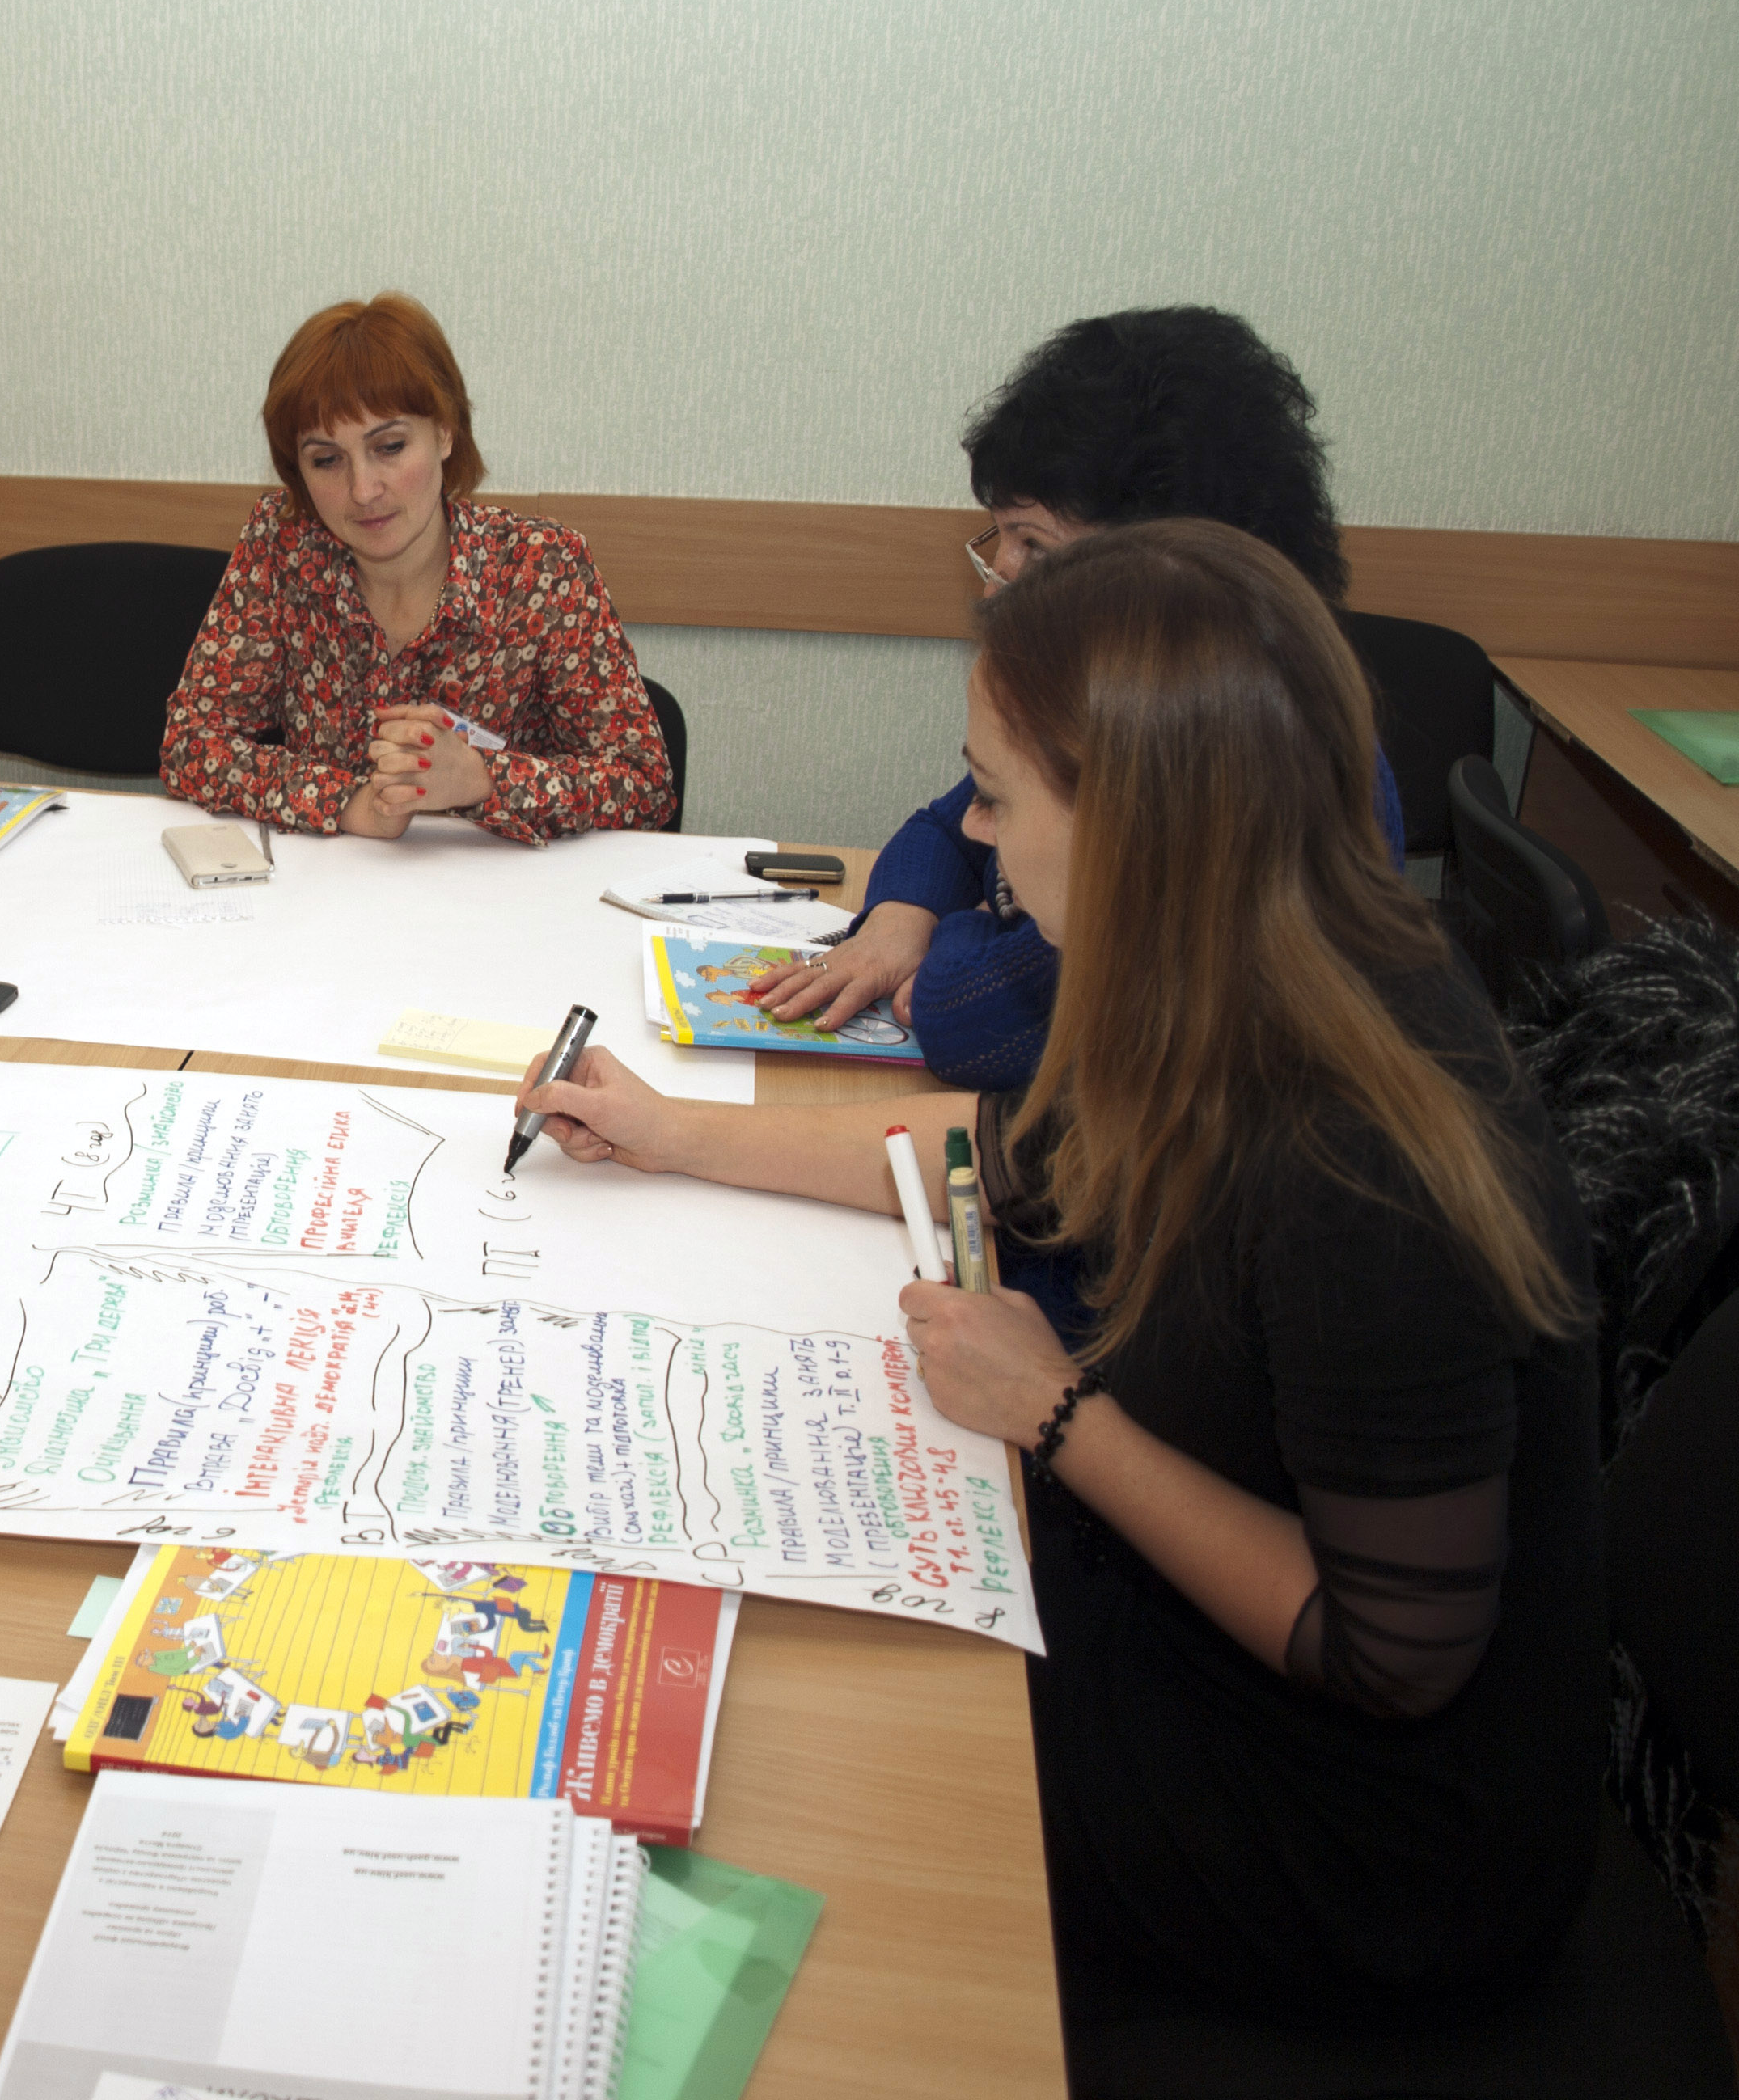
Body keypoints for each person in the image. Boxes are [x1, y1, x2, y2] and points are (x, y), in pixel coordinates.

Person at [517, 520, 1600, 2044]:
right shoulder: (1242, 961)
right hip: (1191, 1635)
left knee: (787, 1747)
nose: (968, 828)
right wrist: (667, 1131)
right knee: (779, 1628)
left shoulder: (1361, 1171)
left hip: (1363, 1836)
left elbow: (1388, 1658)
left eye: (998, 790)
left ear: (1140, 826)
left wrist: (1057, 1410)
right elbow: (1000, 1152)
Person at [757, 306, 1407, 1087]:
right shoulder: (1122, 716)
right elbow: (947, 828)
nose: (1000, 579)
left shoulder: (1225, 768)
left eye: (1036, 543)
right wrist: (901, 920)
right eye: (1000, 538)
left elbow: (966, 1018)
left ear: (1168, 561)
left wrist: (956, 931)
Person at [160, 293, 673, 845]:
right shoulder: (282, 548)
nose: (363, 490)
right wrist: (349, 805)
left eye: (390, 446)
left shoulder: (542, 566)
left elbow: (644, 784)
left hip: (498, 900)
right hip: (326, 897)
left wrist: (482, 779)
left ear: (445, 432)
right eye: (327, 460)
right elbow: (191, 743)